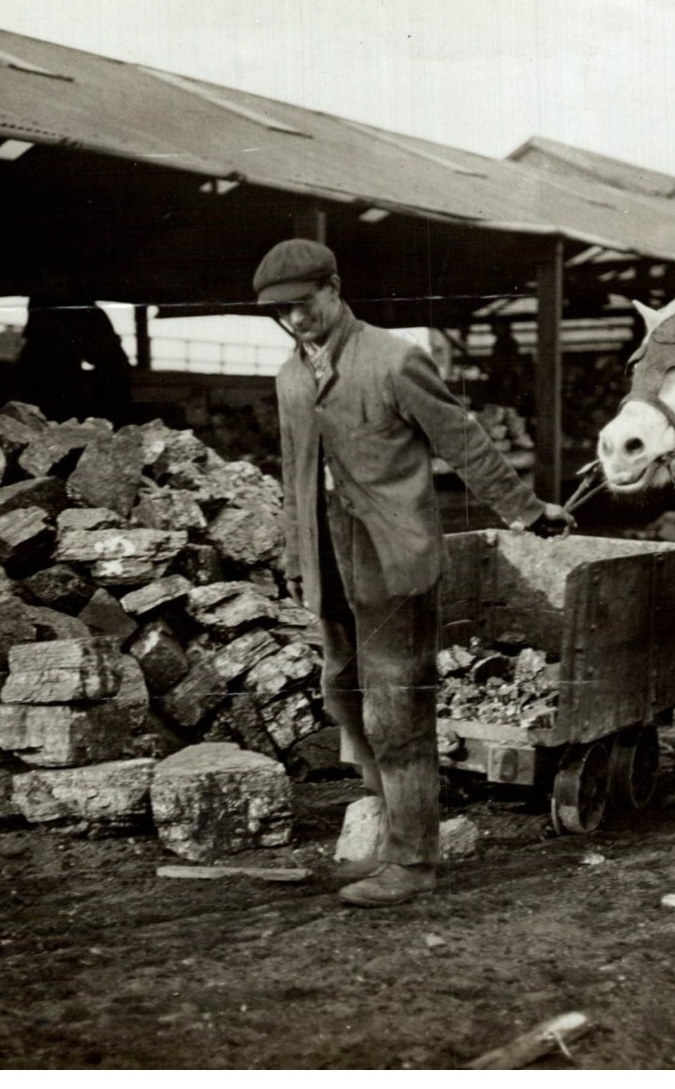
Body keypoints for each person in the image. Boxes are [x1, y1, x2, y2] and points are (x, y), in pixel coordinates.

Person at [257, 238, 571, 908]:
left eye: (303, 305)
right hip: (327, 564)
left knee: (396, 710)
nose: (294, 321)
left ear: (334, 289)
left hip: (391, 561)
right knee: (341, 691)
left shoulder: (394, 360)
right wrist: (294, 558)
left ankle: (412, 861)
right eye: (279, 313)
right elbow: (292, 476)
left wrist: (523, 510)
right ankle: (389, 820)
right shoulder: (289, 378)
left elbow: (464, 441)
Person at [14, 298, 134, 426]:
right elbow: (112, 359)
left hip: (57, 397)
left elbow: (112, 359)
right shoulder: (84, 314)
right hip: (52, 396)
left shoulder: (84, 314)